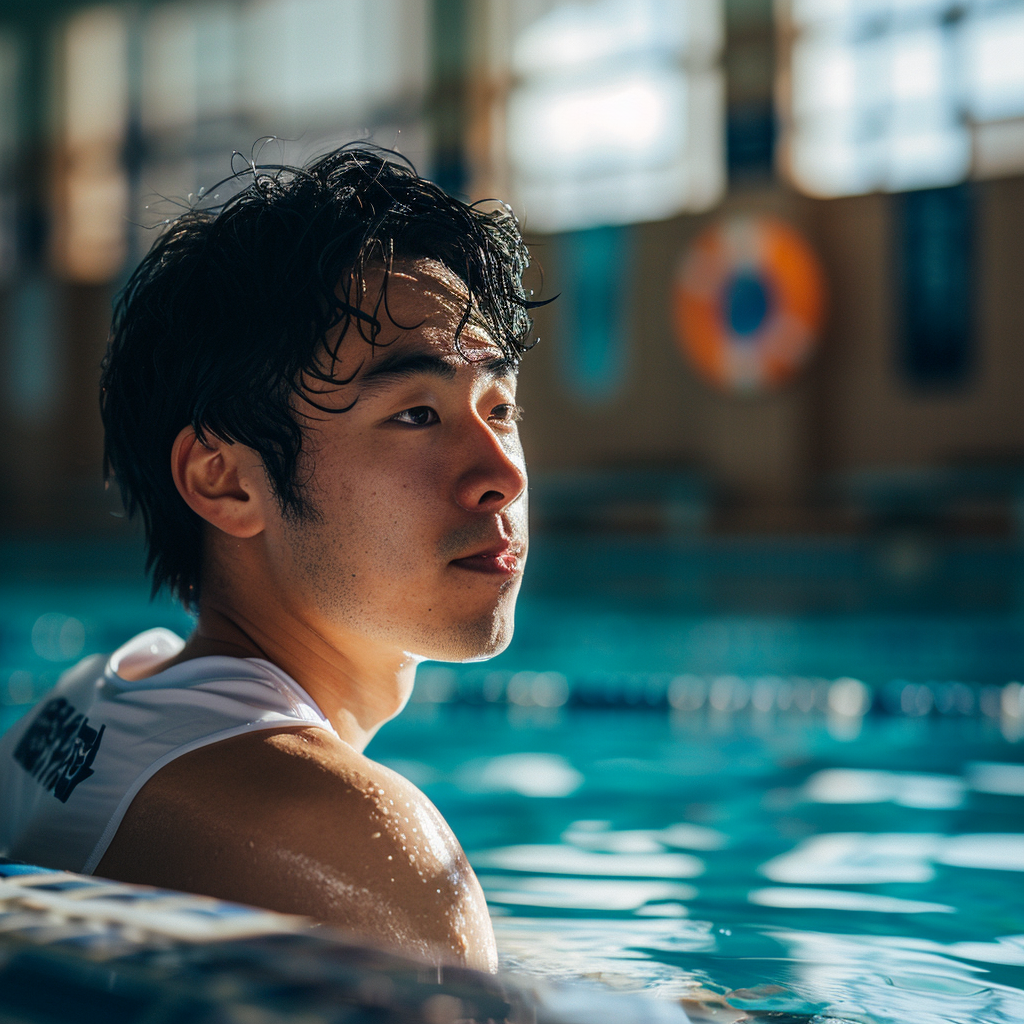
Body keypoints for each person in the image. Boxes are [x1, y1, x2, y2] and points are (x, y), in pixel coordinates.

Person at [0, 145, 544, 973]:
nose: (501, 474)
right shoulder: (363, 847)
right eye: (415, 414)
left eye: (498, 406)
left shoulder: (89, 700)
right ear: (224, 481)